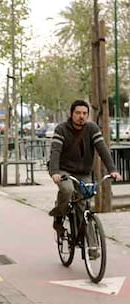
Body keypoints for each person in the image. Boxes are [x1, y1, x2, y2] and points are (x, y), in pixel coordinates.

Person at [48, 100, 121, 238]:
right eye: (78, 113)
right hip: (64, 171)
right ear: (71, 114)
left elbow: (102, 149)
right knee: (67, 190)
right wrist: (54, 172)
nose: (81, 116)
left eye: (84, 113)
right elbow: (55, 152)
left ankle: (89, 244)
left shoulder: (92, 128)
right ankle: (58, 217)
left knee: (84, 203)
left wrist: (113, 170)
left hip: (84, 172)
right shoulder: (61, 129)